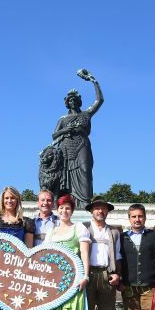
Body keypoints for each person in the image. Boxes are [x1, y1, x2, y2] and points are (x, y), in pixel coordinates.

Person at [38, 194, 91, 310]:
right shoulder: (51, 232)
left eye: (67, 208)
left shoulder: (79, 228)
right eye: (61, 208)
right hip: (54, 284)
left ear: (72, 210)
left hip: (74, 283)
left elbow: (85, 255)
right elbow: (43, 255)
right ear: (57, 210)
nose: (64, 211)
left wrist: (85, 276)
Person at [47, 70, 103, 209]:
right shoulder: (63, 119)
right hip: (66, 147)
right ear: (67, 102)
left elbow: (99, 100)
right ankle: (68, 204)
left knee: (85, 170)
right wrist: (66, 130)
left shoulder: (86, 114)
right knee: (66, 176)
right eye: (70, 100)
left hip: (82, 145)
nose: (72, 102)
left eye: (74, 100)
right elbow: (54, 135)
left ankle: (85, 203)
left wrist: (93, 81)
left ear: (78, 101)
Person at [82, 196, 121, 310]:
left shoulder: (114, 232)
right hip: (88, 276)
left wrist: (117, 274)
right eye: (97, 208)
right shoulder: (83, 228)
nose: (100, 211)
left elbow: (118, 256)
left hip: (107, 275)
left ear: (107, 211)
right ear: (91, 211)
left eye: (103, 208)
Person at [23, 189, 59, 310]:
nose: (45, 203)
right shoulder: (29, 222)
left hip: (52, 274)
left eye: (49, 200)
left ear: (53, 203)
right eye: (42, 200)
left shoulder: (59, 222)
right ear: (38, 202)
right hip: (33, 273)